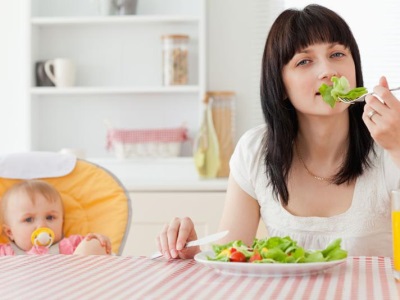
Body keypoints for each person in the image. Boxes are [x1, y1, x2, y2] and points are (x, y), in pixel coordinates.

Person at [155, 4, 400, 260]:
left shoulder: (388, 142)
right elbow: (229, 259)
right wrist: (193, 253)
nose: (328, 70)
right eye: (304, 61)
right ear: (280, 85)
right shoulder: (255, 152)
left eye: (337, 54)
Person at [0, 179, 112, 255]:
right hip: (19, 288)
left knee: (93, 244)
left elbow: (95, 248)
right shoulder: (5, 253)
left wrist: (97, 241)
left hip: (68, 285)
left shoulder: (71, 245)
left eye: (50, 217)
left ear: (62, 222)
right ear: (10, 232)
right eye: (29, 219)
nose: (42, 225)